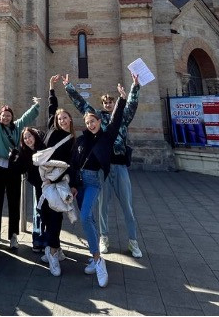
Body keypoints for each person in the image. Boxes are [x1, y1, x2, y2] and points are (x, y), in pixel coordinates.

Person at [65, 72, 142, 258]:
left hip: (120, 166)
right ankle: (104, 238)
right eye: (105, 102)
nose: (108, 104)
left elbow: (132, 105)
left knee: (127, 206)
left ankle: (133, 242)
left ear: (114, 103)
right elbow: (83, 106)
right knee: (102, 206)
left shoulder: (122, 117)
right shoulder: (98, 118)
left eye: (110, 102)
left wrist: (134, 87)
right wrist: (69, 88)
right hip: (103, 169)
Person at [68, 78, 127, 287]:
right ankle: (95, 256)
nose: (90, 124)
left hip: (93, 182)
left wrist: (122, 100)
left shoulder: (107, 137)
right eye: (87, 122)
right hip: (79, 184)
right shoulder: (81, 140)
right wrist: (73, 185)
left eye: (93, 121)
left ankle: (98, 261)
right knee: (89, 220)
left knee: (85, 217)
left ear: (99, 122)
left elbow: (116, 121)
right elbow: (74, 163)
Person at [0, 84, 39, 249]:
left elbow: (26, 118)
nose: (6, 118)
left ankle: (13, 235)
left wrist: (36, 106)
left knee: (14, 202)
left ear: (12, 117)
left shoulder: (17, 127)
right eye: (3, 115)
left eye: (8, 115)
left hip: (13, 168)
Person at [39, 74, 76, 277]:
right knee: (46, 214)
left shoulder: (71, 140)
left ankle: (53, 252)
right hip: (43, 179)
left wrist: (73, 184)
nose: (61, 120)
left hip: (57, 181)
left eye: (65, 118)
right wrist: (51, 88)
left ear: (70, 120)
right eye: (59, 118)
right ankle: (56, 247)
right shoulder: (52, 129)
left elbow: (72, 165)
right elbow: (52, 108)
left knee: (55, 216)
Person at [15, 126, 47, 252]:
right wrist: (14, 159)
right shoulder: (24, 152)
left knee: (47, 211)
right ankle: (37, 239)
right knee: (38, 210)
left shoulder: (43, 147)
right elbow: (20, 169)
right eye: (25, 138)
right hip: (36, 184)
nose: (28, 139)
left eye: (30, 136)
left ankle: (47, 239)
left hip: (48, 183)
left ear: (34, 136)